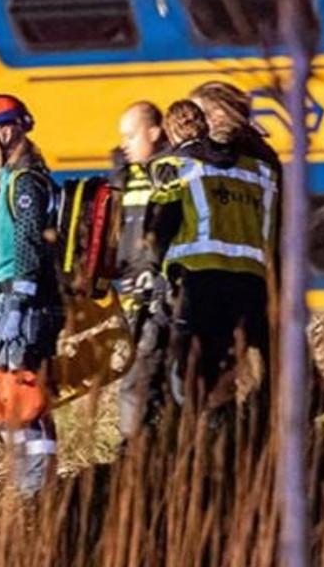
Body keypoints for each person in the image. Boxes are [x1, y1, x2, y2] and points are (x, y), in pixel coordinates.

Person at [146, 100, 277, 410]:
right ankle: (239, 426)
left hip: (198, 279)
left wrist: (155, 271)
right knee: (234, 364)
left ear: (171, 132)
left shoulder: (177, 166)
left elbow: (159, 228)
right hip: (252, 282)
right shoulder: (260, 171)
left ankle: (201, 428)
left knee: (191, 371)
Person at [0, 94, 61, 494]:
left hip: (29, 304)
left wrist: (17, 306)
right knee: (9, 399)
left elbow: (27, 245)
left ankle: (37, 490)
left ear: (6, 131)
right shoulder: (10, 178)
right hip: (14, 302)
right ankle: (29, 485)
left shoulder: (25, 182)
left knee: (24, 396)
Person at [111, 101, 170, 440]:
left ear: (155, 132)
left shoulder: (167, 176)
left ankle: (132, 448)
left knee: (139, 379)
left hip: (157, 296)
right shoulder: (127, 178)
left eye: (131, 136)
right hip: (133, 295)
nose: (124, 144)